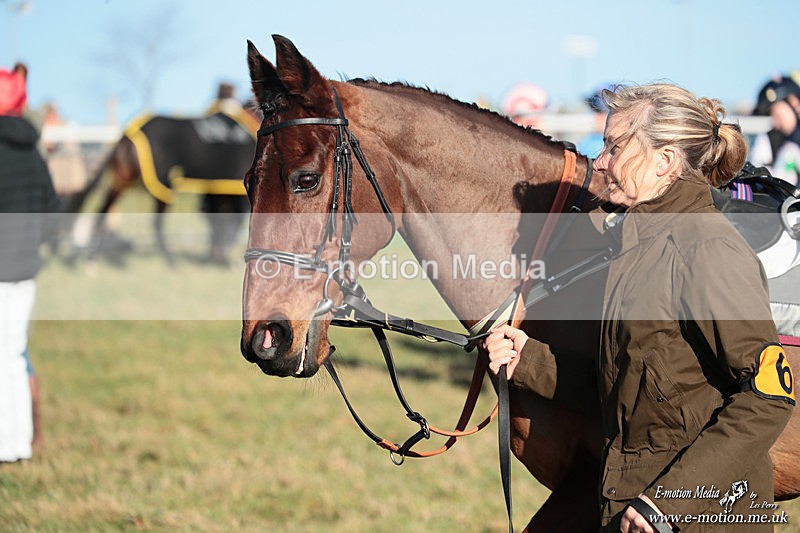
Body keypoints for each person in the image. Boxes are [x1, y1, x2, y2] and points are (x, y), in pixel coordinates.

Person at [484, 83, 795, 531]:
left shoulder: (707, 247)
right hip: (632, 507)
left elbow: (768, 397)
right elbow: (626, 384)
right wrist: (526, 358)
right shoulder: (633, 246)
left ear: (665, 161)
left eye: (615, 147)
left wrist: (669, 502)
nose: (602, 161)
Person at [0, 66, 59, 462]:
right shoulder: (34, 156)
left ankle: (11, 445)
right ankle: (19, 442)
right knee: (14, 354)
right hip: (25, 273)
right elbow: (52, 217)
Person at [750, 75, 800, 186]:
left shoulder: (792, 145)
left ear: (793, 102)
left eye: (775, 113)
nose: (774, 122)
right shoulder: (776, 142)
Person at [578, 83, 614, 158]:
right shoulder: (588, 142)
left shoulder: (597, 145)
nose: (595, 117)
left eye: (598, 111)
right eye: (593, 110)